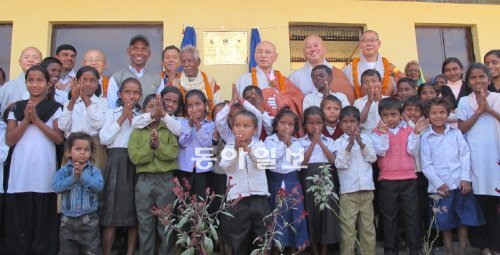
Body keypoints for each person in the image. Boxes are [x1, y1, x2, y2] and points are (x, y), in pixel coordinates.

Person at [4, 64, 63, 255]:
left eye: (40, 80)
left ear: (48, 84)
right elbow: (10, 139)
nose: (35, 84)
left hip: (44, 170)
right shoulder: (17, 108)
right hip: (20, 171)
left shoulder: (54, 108)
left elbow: (58, 138)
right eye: (31, 80)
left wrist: (37, 121)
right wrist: (26, 121)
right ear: (25, 83)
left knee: (42, 216)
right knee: (19, 218)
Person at [420, 98, 485, 255]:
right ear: (427, 115)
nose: (438, 116)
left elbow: (464, 156)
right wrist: (438, 183)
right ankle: (449, 249)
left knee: (463, 218)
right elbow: (426, 164)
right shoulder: (425, 137)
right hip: (441, 188)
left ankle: (462, 248)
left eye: (442, 112)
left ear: (448, 114)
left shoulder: (456, 133)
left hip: (459, 184)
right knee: (444, 220)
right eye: (434, 113)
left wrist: (465, 179)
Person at [371, 97, 428, 255]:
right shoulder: (376, 132)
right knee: (389, 217)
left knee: (412, 215)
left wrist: (416, 133)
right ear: (380, 116)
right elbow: (381, 152)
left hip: (409, 179)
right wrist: (384, 135)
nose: (389, 118)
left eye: (393, 114)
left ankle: (414, 248)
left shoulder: (409, 129)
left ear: (401, 114)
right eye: (385, 115)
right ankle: (390, 249)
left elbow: (412, 151)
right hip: (387, 181)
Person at [456, 63, 500, 255]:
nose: (478, 81)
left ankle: (497, 245)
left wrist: (489, 110)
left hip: (496, 158)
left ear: (489, 79)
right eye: (473, 77)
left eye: (482, 77)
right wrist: (479, 111)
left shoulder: (498, 98)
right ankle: (484, 247)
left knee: (496, 206)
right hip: (476, 159)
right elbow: (461, 129)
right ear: (468, 81)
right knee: (480, 204)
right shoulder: (465, 102)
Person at [128, 94, 179, 255]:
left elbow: (173, 153)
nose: (155, 110)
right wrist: (150, 147)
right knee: (145, 222)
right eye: (151, 106)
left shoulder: (168, 130)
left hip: (166, 180)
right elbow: (135, 157)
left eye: (158, 107)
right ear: (144, 111)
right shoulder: (137, 132)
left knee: (166, 223)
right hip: (144, 180)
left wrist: (159, 147)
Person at [99, 77, 142, 255]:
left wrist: (132, 118)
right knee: (111, 214)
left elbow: (141, 140)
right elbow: (104, 139)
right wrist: (122, 116)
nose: (131, 96)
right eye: (127, 92)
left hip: (134, 163)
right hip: (115, 161)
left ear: (140, 95)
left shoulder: (142, 117)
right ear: (119, 94)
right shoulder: (110, 113)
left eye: (135, 92)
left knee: (134, 214)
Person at [219, 109, 271, 254]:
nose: (241, 129)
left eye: (246, 126)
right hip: (237, 201)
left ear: (255, 129)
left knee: (262, 238)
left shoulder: (260, 146)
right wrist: (236, 149)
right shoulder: (229, 148)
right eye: (237, 125)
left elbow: (264, 162)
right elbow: (226, 166)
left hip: (259, 199)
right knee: (239, 239)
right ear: (232, 128)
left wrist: (248, 150)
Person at [264, 109, 309, 253]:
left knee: (294, 216)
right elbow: (270, 162)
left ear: (295, 128)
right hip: (274, 183)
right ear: (276, 125)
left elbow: (298, 164)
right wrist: (283, 144)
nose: (286, 127)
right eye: (283, 123)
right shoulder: (269, 141)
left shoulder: (297, 143)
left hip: (292, 182)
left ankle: (294, 248)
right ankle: (277, 249)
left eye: (290, 124)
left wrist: (288, 144)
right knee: (277, 217)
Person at [334, 106, 377, 255]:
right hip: (348, 192)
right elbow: (340, 164)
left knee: (368, 228)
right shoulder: (338, 143)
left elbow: (372, 158)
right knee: (348, 230)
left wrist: (360, 143)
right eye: (345, 121)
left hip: (366, 190)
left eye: (352, 121)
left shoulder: (366, 139)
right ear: (340, 124)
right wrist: (350, 144)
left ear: (359, 123)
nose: (349, 125)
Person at [52, 132, 104, 255]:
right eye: (78, 149)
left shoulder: (94, 171)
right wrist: (73, 178)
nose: (82, 152)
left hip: (89, 220)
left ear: (91, 152)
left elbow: (98, 186)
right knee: (67, 251)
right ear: (69, 152)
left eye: (86, 149)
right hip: (67, 221)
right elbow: (56, 188)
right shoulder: (64, 171)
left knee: (92, 251)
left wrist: (82, 176)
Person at [298, 106, 339, 255]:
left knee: (326, 213)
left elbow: (333, 160)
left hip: (326, 177)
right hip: (308, 179)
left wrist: (320, 143)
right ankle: (314, 249)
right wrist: (313, 144)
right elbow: (302, 163)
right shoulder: (299, 142)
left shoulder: (329, 141)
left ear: (323, 124)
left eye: (318, 123)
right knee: (311, 212)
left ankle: (324, 250)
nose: (315, 127)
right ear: (304, 125)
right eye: (311, 123)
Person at [236, 41, 305, 118]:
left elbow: (298, 100)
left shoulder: (284, 80)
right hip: (254, 122)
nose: (263, 55)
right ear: (255, 56)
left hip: (279, 123)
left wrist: (281, 101)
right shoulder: (244, 79)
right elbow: (238, 105)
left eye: (268, 52)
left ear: (275, 56)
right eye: (259, 52)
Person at [58, 66, 108, 170]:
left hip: (94, 146)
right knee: (71, 180)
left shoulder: (102, 102)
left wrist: (86, 100)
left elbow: (98, 124)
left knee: (92, 181)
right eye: (83, 80)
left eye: (93, 81)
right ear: (76, 81)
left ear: (97, 84)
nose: (88, 84)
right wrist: (72, 101)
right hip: (73, 146)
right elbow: (63, 126)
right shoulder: (69, 103)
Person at [289, 35, 355, 102]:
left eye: (316, 45)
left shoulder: (338, 74)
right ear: (303, 53)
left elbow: (348, 102)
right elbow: (292, 104)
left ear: (324, 49)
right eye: (308, 47)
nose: (313, 49)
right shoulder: (295, 77)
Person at [177, 89, 215, 197]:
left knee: (202, 202)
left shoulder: (210, 125)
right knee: (184, 203)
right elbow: (182, 143)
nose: (194, 109)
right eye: (190, 106)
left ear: (205, 105)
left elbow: (206, 144)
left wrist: (198, 125)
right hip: (185, 170)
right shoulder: (183, 123)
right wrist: (190, 125)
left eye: (198, 104)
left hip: (203, 170)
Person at [107, 35, 162, 109]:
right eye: (135, 48)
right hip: (124, 120)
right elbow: (112, 108)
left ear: (149, 53)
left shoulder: (157, 79)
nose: (139, 53)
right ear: (128, 51)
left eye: (143, 49)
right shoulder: (117, 77)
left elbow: (159, 107)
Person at [343, 30, 398, 98]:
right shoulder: (348, 70)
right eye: (365, 41)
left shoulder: (391, 68)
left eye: (372, 40)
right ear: (360, 45)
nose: (369, 44)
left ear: (379, 43)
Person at [171, 45, 220, 113]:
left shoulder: (211, 83)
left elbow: (216, 110)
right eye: (183, 61)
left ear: (198, 62)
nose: (186, 64)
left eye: (189, 61)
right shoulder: (175, 83)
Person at [0, 47, 42, 115]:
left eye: (35, 57)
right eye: (26, 57)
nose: (30, 60)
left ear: (41, 62)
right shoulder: (7, 87)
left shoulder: (46, 86)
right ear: (20, 62)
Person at [353, 69, 387, 136]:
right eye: (366, 82)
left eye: (373, 81)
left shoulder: (388, 99)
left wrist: (379, 98)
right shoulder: (358, 102)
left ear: (381, 83)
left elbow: (388, 115)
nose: (370, 85)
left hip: (385, 134)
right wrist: (369, 102)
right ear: (362, 86)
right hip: (367, 136)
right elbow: (360, 122)